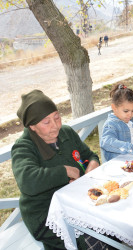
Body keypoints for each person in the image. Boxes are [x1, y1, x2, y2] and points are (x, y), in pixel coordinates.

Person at [11, 90, 101, 249]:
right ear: (32, 126)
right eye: (46, 122)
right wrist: (65, 171)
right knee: (87, 239)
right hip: (45, 214)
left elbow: (89, 156)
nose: (55, 126)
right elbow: (27, 181)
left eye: (57, 117)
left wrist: (90, 169)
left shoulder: (66, 132)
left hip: (76, 202)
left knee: (107, 224)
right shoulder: (23, 147)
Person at [100, 83, 133, 161]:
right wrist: (132, 148)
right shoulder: (111, 124)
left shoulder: (129, 122)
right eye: (126, 111)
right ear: (114, 107)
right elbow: (106, 142)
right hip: (118, 166)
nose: (130, 114)